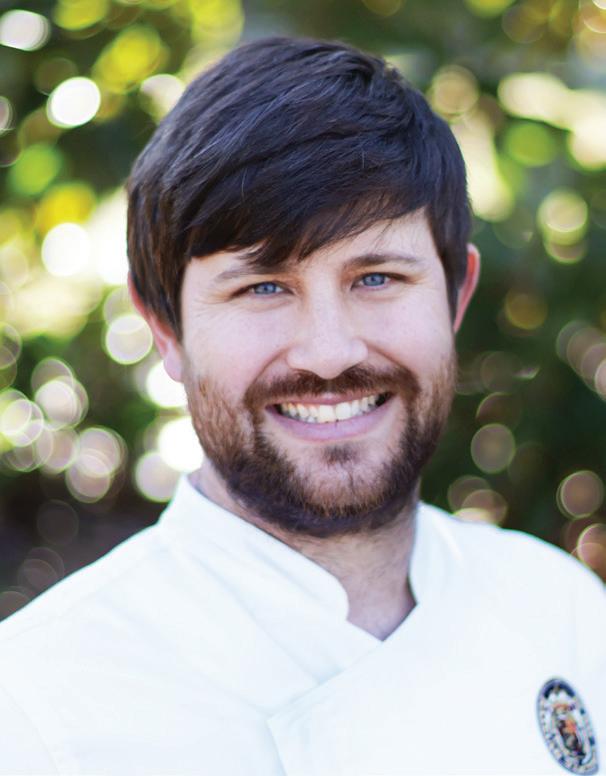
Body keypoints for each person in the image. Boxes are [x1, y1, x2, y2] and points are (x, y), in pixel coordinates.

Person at [0, 36, 603, 776]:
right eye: (262, 287)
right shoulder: (34, 715)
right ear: (166, 331)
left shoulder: (560, 610)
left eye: (377, 278)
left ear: (456, 297)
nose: (328, 353)